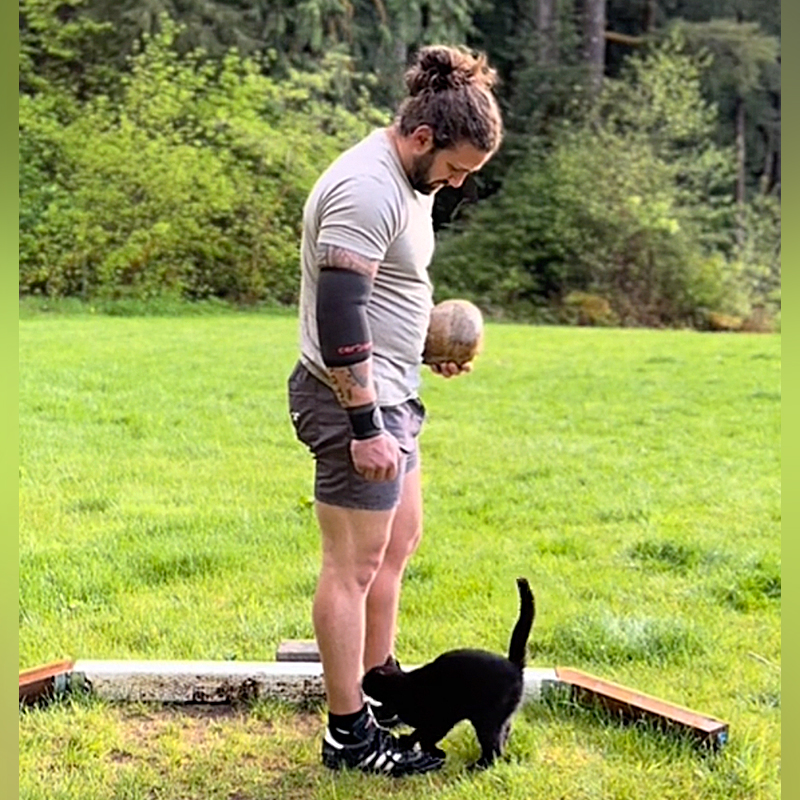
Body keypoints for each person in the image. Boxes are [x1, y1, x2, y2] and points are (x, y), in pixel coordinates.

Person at [287, 44, 503, 776]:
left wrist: (420, 351)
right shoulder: (367, 187)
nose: (458, 182)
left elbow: (382, 298)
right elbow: (343, 311)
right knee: (350, 566)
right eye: (456, 168)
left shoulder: (409, 183)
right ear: (421, 137)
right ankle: (348, 733)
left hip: (391, 391)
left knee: (396, 544)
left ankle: (379, 689)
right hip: (350, 401)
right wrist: (364, 424)